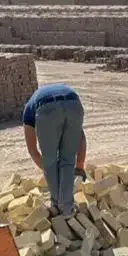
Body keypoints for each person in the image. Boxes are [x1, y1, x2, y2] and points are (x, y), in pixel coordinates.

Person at [22, 82, 86, 217]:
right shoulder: (59, 92)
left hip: (47, 109)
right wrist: (79, 166)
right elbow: (80, 137)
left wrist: (50, 169)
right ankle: (67, 208)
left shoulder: (28, 110)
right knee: (68, 160)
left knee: (50, 160)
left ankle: (59, 208)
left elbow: (33, 151)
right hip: (74, 104)